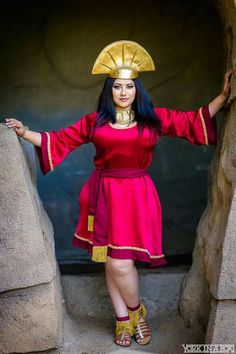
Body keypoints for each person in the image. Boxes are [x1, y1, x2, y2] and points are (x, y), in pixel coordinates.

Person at [5, 40, 233, 348]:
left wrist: (222, 96)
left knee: (121, 263)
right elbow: (58, 140)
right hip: (103, 197)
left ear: (137, 89)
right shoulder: (95, 122)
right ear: (109, 91)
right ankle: (126, 319)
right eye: (116, 87)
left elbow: (192, 121)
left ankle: (134, 314)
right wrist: (23, 131)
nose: (123, 93)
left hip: (137, 197)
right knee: (111, 262)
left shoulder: (153, 119)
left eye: (128, 86)